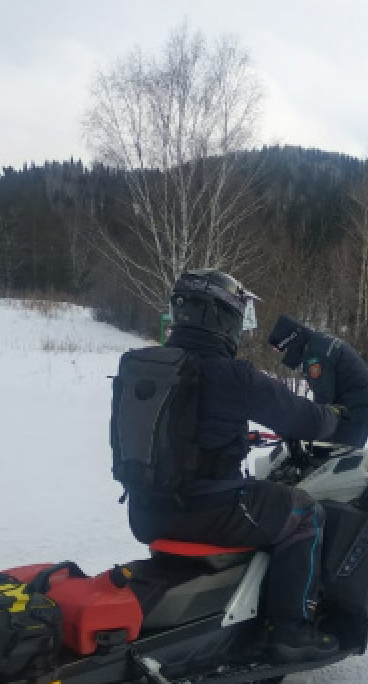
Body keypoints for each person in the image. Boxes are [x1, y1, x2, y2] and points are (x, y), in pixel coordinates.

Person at [125, 269, 342, 662]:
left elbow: (181, 431)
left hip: (145, 513)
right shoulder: (231, 374)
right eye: (238, 317)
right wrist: (334, 416)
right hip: (208, 512)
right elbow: (305, 420)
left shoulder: (145, 366)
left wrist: (236, 437)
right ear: (221, 319)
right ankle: (290, 629)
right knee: (305, 511)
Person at [267, 314, 368, 448]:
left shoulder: (315, 356)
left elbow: (324, 397)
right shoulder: (317, 342)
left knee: (337, 453)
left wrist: (311, 425)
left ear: (291, 341)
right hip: (358, 402)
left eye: (284, 349)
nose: (286, 354)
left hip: (357, 407)